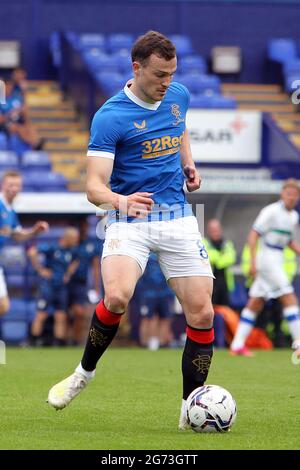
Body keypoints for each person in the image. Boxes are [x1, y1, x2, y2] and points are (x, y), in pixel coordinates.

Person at [47, 31, 214, 431]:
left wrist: (188, 163)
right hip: (129, 219)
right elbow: (93, 189)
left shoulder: (177, 95)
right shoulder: (110, 117)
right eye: (159, 74)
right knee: (118, 296)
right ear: (136, 68)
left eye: (172, 74)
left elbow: (181, 127)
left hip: (177, 216)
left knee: (204, 313)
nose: (166, 83)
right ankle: (82, 375)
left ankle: (190, 409)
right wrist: (122, 202)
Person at [230, 179, 300, 357]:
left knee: (255, 302)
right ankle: (299, 342)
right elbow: (253, 235)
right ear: (282, 194)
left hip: (278, 257)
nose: (291, 198)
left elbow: (289, 241)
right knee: (289, 298)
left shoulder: (293, 217)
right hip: (267, 257)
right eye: (288, 194)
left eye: (295, 195)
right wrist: (253, 262)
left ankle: (237, 345)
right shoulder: (271, 211)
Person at [0, 170, 49, 315]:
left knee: (3, 306)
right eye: (11, 184)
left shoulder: (11, 210)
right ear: (3, 185)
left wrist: (34, 231)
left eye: (17, 185)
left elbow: (16, 235)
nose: (14, 188)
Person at [28, 227, 80, 346]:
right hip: (48, 286)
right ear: (68, 238)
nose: (76, 241)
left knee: (60, 315)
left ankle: (59, 342)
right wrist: (40, 269)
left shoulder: (72, 251)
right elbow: (32, 251)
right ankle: (34, 341)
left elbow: (76, 261)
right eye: (75, 239)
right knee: (41, 314)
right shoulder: (52, 247)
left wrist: (68, 273)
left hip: (61, 287)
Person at [67, 219, 101, 345]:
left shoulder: (91, 244)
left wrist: (97, 287)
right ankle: (62, 340)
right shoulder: (69, 242)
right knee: (63, 313)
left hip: (80, 283)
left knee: (79, 313)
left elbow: (96, 266)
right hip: (64, 283)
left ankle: (75, 340)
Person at [134, 251, 175, 350]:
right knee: (147, 318)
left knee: (165, 318)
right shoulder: (145, 252)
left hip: (166, 291)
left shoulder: (168, 251)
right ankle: (145, 344)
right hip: (148, 292)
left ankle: (161, 344)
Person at [204, 219, 236, 306]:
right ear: (208, 231)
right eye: (213, 230)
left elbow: (231, 258)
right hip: (209, 286)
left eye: (217, 229)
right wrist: (221, 257)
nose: (216, 232)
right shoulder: (204, 243)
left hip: (225, 285)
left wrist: (218, 260)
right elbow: (208, 256)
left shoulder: (227, 243)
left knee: (226, 311)